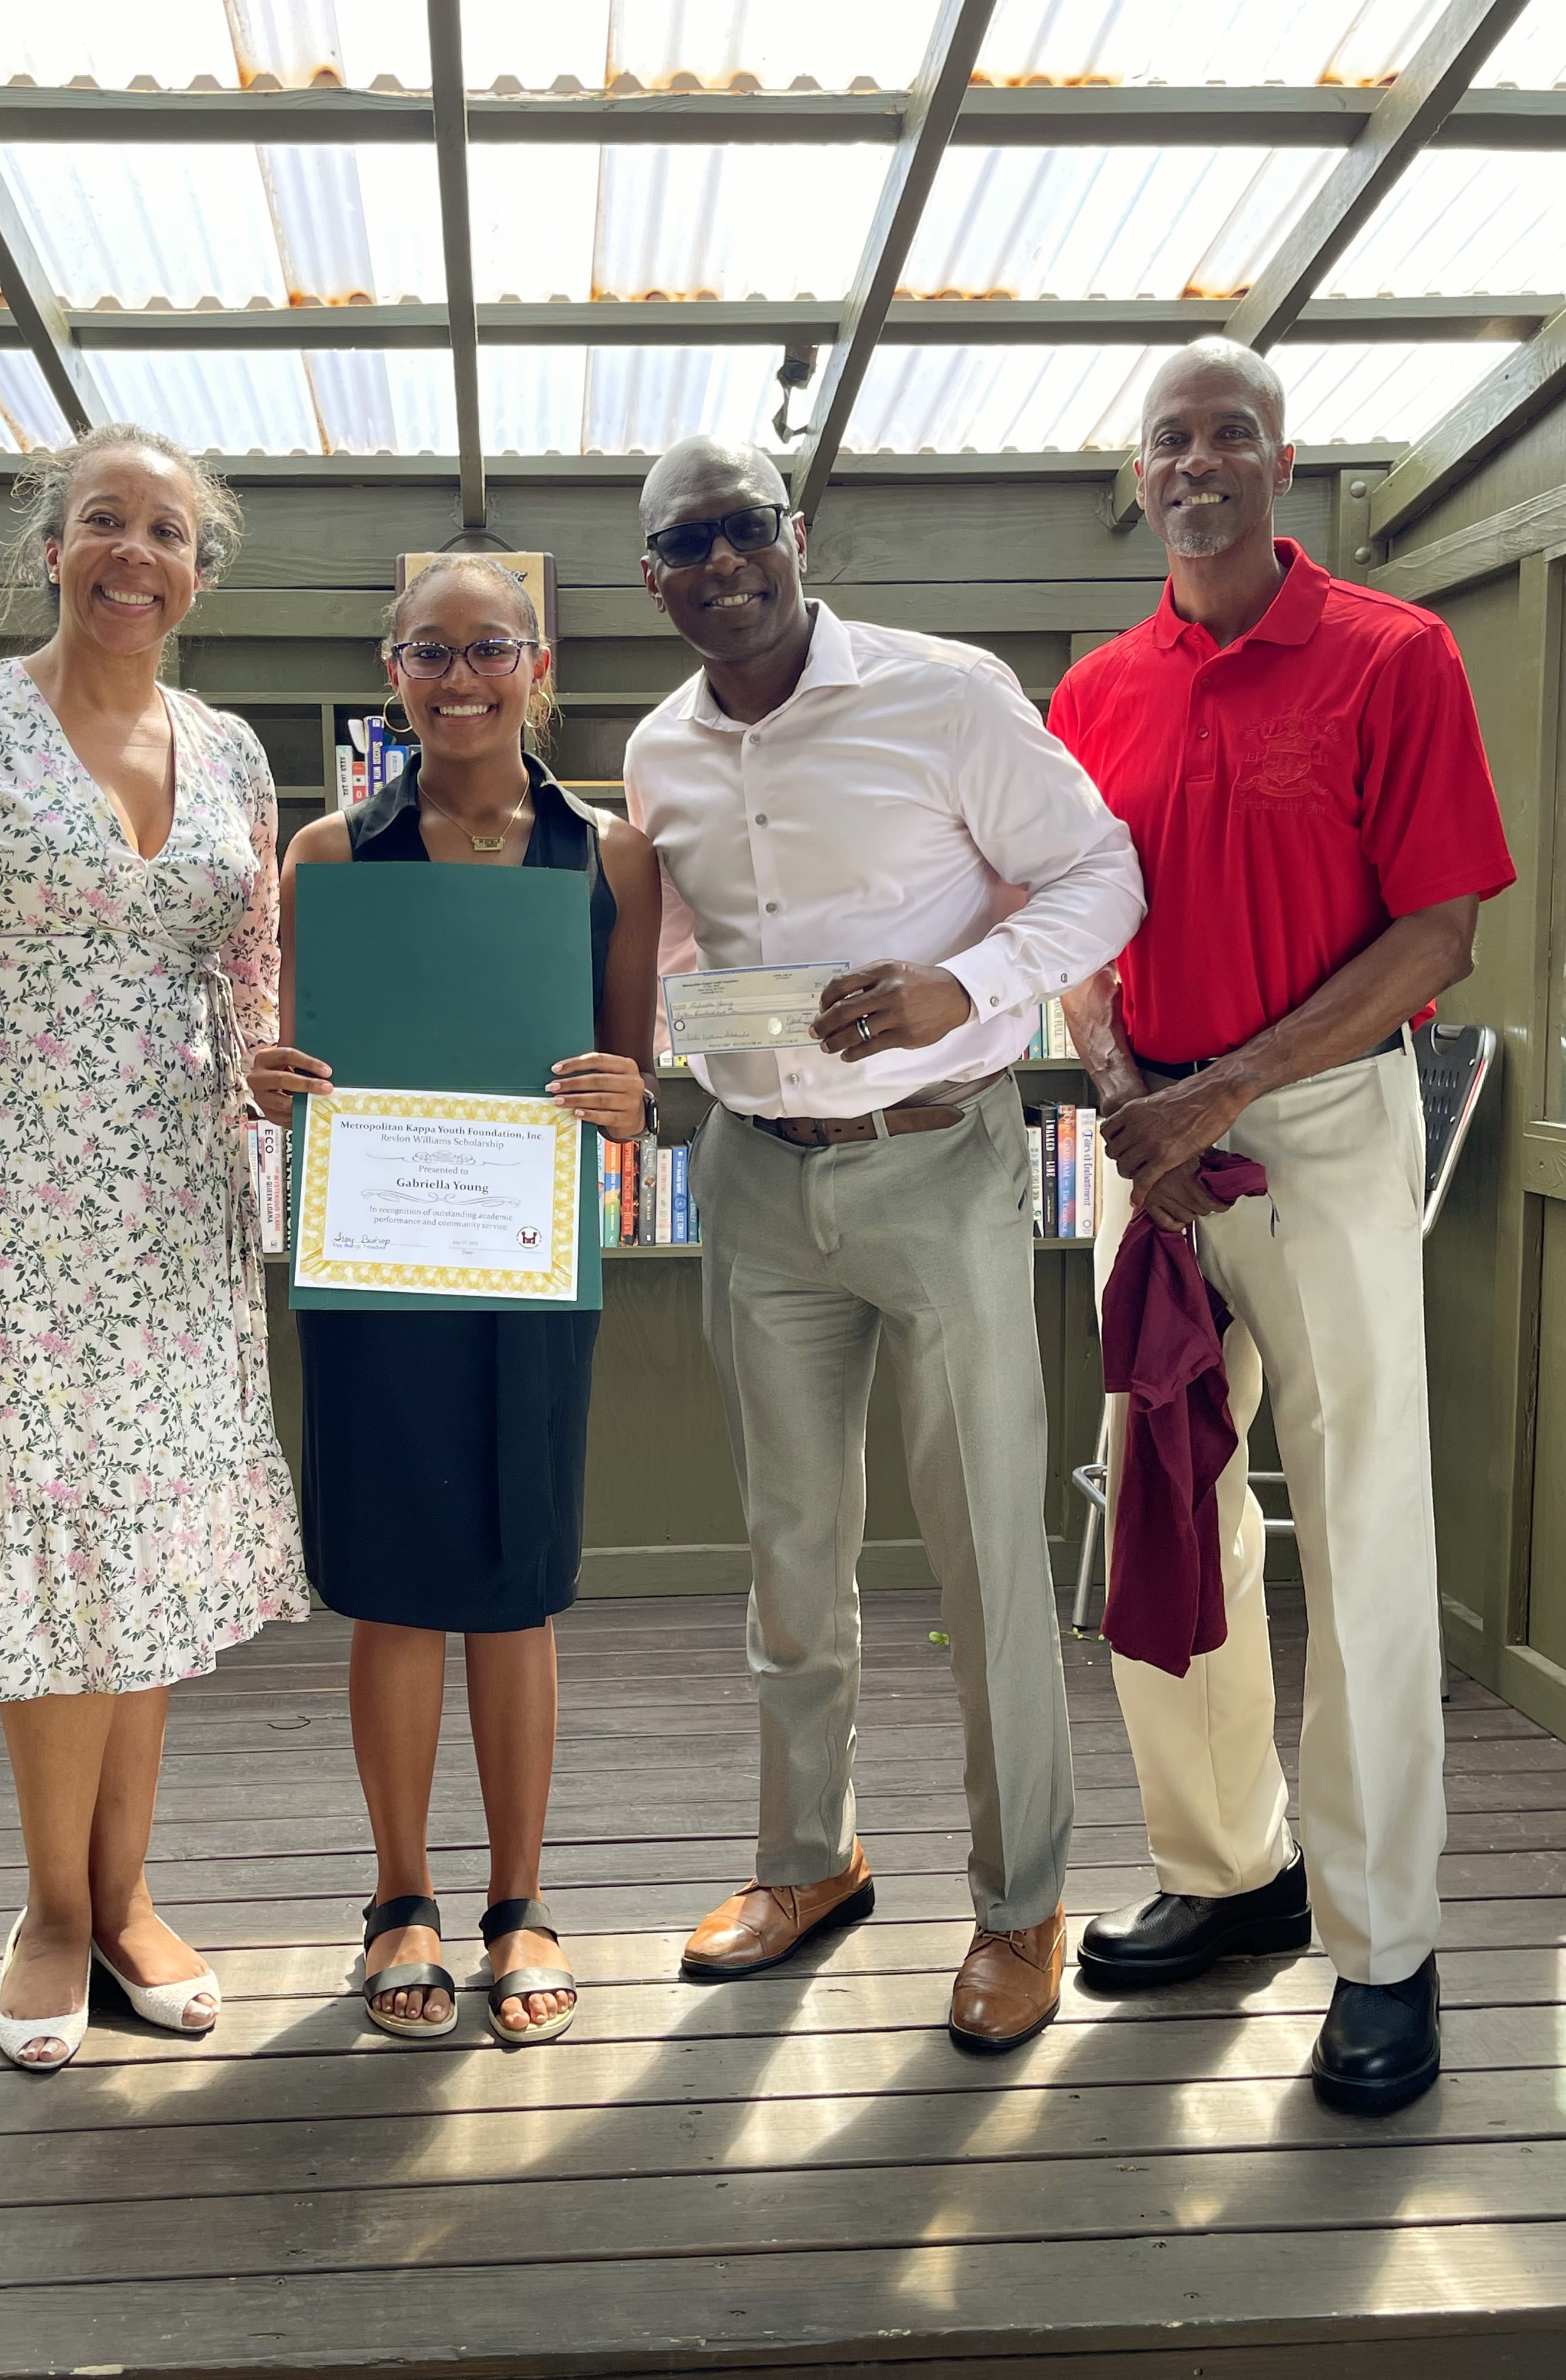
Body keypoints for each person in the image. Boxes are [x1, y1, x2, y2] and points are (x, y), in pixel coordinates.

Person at [625, 437, 1145, 2048]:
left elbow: (1098, 873)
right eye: (685, 542)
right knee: (793, 1550)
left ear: (797, 534)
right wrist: (636, 1053)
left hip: (941, 1164)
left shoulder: (949, 694)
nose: (722, 562)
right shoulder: (660, 754)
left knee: (990, 1548)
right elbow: (686, 952)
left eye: (743, 529)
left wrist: (962, 986)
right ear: (654, 575)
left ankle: (1019, 1904)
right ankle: (808, 1861)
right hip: (756, 1182)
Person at [1050, 338, 1517, 2115]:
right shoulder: (1095, 691)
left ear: (1283, 462)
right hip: (1149, 1141)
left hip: (1311, 1131)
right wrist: (1119, 1091)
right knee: (1160, 1498)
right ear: (1142, 473)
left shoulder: (1397, 656)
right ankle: (1224, 1869)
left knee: (1366, 1529)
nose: (1198, 462)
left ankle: (1384, 1940)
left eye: (1229, 434)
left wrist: (1223, 1090)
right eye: (1168, 437)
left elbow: (1438, 934)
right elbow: (1070, 924)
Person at [0, 424, 310, 2071]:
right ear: (55, 546)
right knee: (48, 1541)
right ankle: (48, 1911)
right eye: (107, 521)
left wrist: (268, 1061)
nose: (135, 554)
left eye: (167, 531)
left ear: (196, 567)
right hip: (4, 1219)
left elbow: (249, 980)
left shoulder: (234, 751)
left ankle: (125, 1895)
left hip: (177, 1215)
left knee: (149, 1547)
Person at [249, 555, 661, 2047]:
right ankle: (400, 1897)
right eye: (433, 650)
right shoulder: (330, 859)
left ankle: (520, 1903)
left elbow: (636, 1092)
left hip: (530, 1261)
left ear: (538, 661)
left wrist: (630, 1097)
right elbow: (305, 1072)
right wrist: (275, 1082)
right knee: (392, 1582)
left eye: (491, 647)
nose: (464, 675)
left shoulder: (612, 858)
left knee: (518, 1577)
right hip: (377, 1267)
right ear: (394, 670)